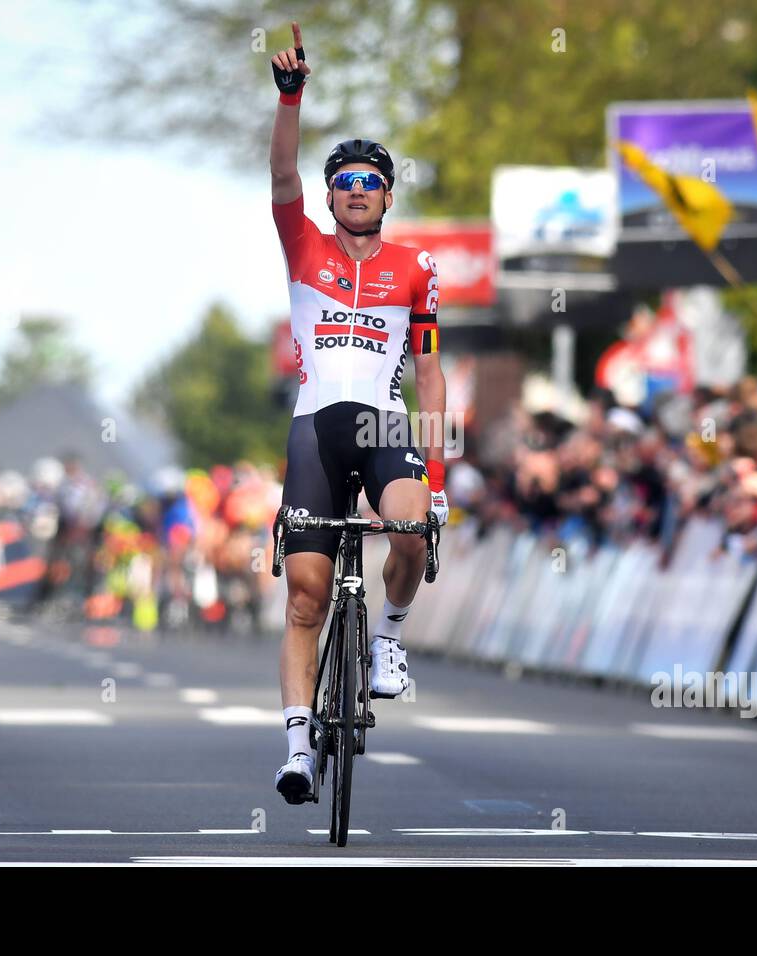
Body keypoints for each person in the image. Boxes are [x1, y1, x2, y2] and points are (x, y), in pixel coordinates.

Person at [268, 22, 448, 804]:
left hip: (381, 423)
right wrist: (291, 97)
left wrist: (437, 476)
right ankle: (300, 749)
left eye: (369, 181)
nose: (355, 191)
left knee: (411, 525)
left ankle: (389, 641)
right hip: (314, 426)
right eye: (343, 182)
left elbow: (433, 375)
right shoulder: (304, 246)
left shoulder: (418, 270)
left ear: (388, 194)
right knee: (306, 594)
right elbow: (281, 173)